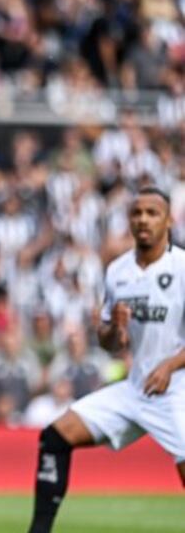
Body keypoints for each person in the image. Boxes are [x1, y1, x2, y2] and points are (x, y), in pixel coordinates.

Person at [27, 186, 185, 532]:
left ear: (169, 221)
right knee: (55, 437)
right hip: (136, 388)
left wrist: (170, 366)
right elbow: (109, 342)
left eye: (152, 213)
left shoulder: (182, 268)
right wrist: (116, 330)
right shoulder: (117, 271)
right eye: (137, 213)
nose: (143, 220)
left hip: (177, 390)